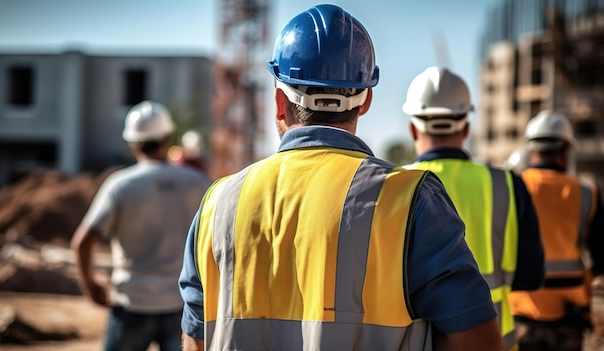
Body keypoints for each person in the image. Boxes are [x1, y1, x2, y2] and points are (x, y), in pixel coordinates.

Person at [179, 5, 502, 351]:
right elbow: (478, 339)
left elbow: (197, 339)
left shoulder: (218, 203)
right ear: (365, 101)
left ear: (278, 102)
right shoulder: (410, 199)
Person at [401, 66, 545, 350]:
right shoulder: (508, 184)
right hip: (496, 342)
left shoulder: (395, 187)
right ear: (466, 127)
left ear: (412, 129)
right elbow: (532, 275)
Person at [70, 100, 211, 351]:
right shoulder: (198, 183)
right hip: (181, 308)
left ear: (132, 143)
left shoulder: (120, 185)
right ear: (167, 137)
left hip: (131, 305)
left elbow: (81, 242)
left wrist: (92, 287)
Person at [508, 110, 604, 351]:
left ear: (531, 149)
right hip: (570, 312)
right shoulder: (587, 192)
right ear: (565, 151)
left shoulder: (513, 186)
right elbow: (600, 256)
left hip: (523, 308)